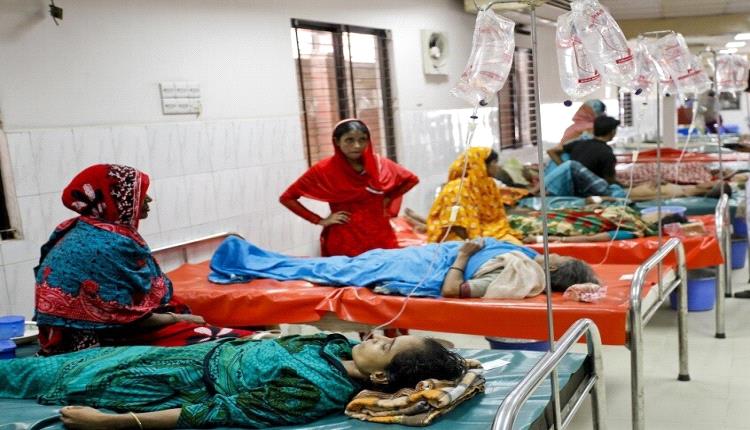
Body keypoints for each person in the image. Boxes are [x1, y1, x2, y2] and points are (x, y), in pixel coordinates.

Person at [0, 333, 468, 429]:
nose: (378, 335)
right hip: (178, 355)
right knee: (40, 367)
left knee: (32, 376)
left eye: (385, 345)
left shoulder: (313, 391)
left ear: (380, 375)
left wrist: (115, 424)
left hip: (157, 382)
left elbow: (216, 411)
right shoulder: (335, 347)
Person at [35, 164, 250, 356]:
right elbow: (125, 319)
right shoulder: (110, 243)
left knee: (226, 336)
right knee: (237, 344)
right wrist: (179, 319)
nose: (148, 200)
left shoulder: (81, 229)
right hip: (97, 343)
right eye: (140, 194)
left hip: (81, 336)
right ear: (117, 199)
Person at [209, 235, 598, 299]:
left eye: (559, 258)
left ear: (555, 271)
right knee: (344, 263)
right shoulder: (526, 257)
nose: (553, 253)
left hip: (424, 269)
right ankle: (249, 255)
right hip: (424, 255)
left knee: (334, 271)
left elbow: (453, 290)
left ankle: (245, 259)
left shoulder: (517, 275)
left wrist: (464, 255)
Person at [280, 119, 419, 257]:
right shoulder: (324, 170)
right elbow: (287, 198)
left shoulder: (379, 165)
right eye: (349, 140)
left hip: (381, 237)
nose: (357, 145)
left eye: (362, 140)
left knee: (386, 269)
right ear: (337, 141)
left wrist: (388, 197)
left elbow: (411, 179)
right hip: (345, 240)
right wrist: (319, 220)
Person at [425, 147, 523, 244]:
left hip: (489, 232)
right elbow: (456, 225)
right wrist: (475, 244)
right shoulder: (456, 189)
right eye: (494, 163)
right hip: (460, 239)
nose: (498, 166)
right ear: (481, 164)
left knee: (518, 247)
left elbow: (496, 216)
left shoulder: (488, 184)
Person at [548, 116, 621, 185]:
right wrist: (621, 184)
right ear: (612, 132)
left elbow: (551, 151)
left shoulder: (578, 143)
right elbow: (609, 180)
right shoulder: (607, 152)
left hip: (571, 186)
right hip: (590, 189)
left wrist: (566, 169)